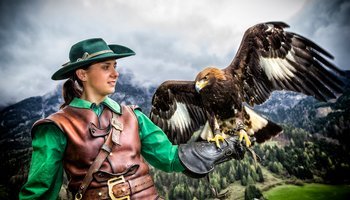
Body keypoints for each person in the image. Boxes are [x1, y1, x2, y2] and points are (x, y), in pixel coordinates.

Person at [19, 38, 245, 200]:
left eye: (115, 66)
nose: (115, 73)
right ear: (82, 74)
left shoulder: (133, 116)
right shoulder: (56, 127)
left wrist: (220, 149)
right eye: (106, 67)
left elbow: (168, 158)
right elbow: (40, 192)